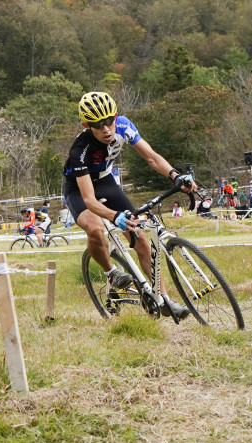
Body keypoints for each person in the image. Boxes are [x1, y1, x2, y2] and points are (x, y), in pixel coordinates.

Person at [64, 91, 196, 320]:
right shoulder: (80, 151)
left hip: (105, 180)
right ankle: (111, 272)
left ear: (115, 116)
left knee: (140, 238)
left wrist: (175, 175)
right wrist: (115, 216)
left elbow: (152, 157)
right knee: (95, 228)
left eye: (109, 121)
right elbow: (89, 201)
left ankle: (163, 299)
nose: (106, 129)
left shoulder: (124, 126)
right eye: (98, 125)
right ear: (87, 124)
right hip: (79, 189)